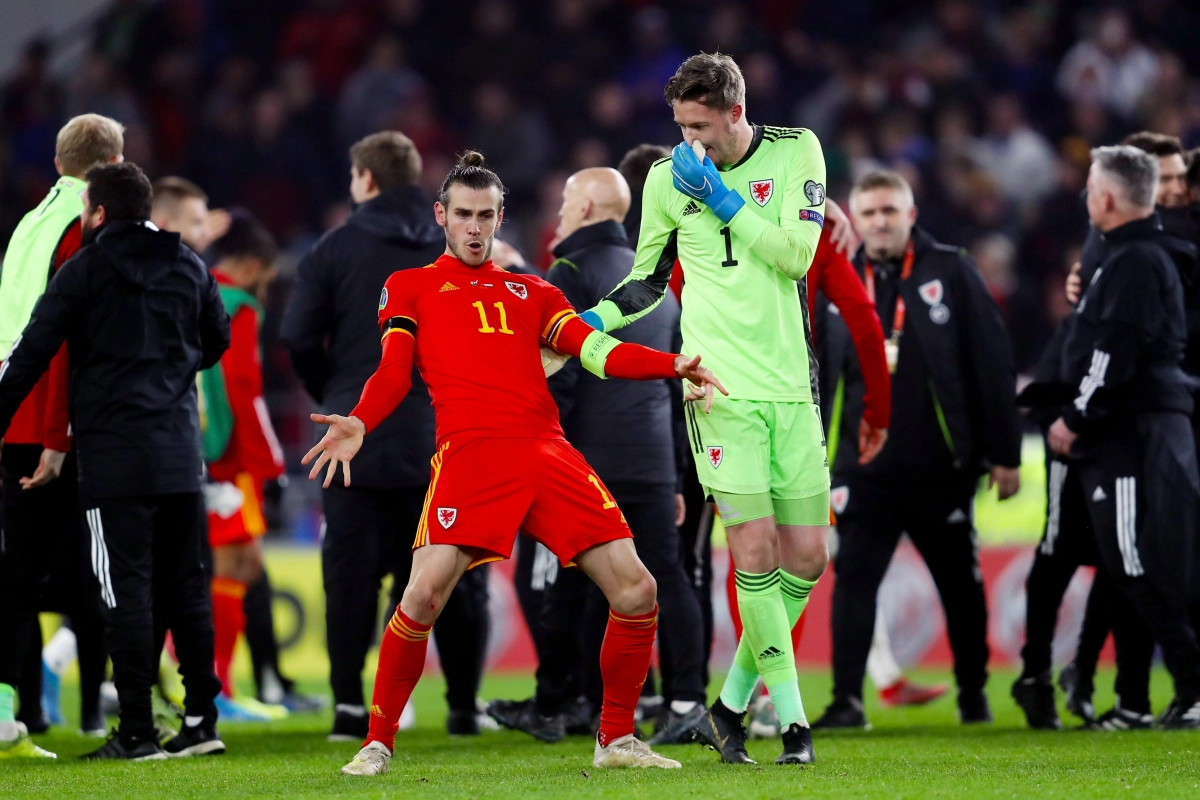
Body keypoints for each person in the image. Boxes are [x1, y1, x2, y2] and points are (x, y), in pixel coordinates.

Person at [306, 151, 726, 776]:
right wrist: (360, 420)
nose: (475, 228)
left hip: (547, 451)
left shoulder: (534, 290)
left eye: (486, 216)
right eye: (463, 216)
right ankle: (377, 742)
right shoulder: (410, 286)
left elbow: (597, 351)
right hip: (471, 454)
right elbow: (395, 371)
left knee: (639, 590)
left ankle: (615, 740)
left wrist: (672, 365)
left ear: (501, 219)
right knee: (421, 597)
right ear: (441, 217)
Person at [584, 53, 829, 766]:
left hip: (791, 385)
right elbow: (646, 281)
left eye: (700, 127)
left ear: (734, 110)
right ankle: (791, 726)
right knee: (753, 554)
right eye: (680, 128)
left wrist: (723, 199)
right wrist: (585, 325)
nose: (690, 144)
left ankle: (725, 707)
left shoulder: (796, 151)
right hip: (717, 389)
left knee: (808, 561)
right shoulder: (666, 178)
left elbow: (796, 256)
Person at [0, 161, 231, 759]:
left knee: (122, 588)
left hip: (115, 457)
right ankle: (202, 722)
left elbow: (31, 353)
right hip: (179, 454)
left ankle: (135, 730)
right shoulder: (189, 264)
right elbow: (217, 341)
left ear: (97, 213)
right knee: (188, 587)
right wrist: (172, 372)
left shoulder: (85, 269)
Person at [280, 131, 492, 739]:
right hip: (443, 437)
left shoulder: (333, 249)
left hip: (355, 438)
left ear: (365, 180)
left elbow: (296, 336)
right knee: (451, 572)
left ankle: (351, 707)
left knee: (350, 575)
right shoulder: (454, 246)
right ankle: (462, 705)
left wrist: (337, 394)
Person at [489, 166, 709, 745]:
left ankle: (557, 703)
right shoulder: (652, 278)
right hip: (654, 458)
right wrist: (682, 476)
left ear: (587, 206)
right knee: (669, 576)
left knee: (568, 586)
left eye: (566, 200)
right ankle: (686, 700)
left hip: (587, 459)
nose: (559, 212)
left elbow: (558, 377)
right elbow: (674, 378)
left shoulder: (569, 273)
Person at [814, 169, 1023, 730]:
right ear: (854, 222)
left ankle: (973, 692)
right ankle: (846, 701)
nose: (880, 221)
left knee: (962, 586)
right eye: (870, 213)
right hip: (863, 471)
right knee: (854, 584)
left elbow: (992, 363)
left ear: (911, 215)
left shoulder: (950, 269)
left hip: (942, 467)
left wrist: (1004, 452)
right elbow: (817, 374)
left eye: (890, 210)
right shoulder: (833, 276)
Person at [1042, 131, 1200, 729]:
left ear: (1105, 199)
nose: (1086, 199)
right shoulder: (1131, 255)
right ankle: (1139, 700)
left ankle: (1191, 684)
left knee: (1136, 565)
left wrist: (1074, 417)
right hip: (1141, 429)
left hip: (1131, 434)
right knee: (1132, 565)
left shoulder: (1133, 261)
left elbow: (1114, 353)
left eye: (1090, 190)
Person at [0, 114, 124, 758]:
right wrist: (59, 433)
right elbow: (62, 336)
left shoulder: (27, 225)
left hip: (11, 412)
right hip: (56, 421)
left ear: (57, 163)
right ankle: (94, 718)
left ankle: (13, 715)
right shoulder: (83, 225)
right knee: (90, 575)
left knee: (17, 573)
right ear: (112, 164)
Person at [198, 214, 287, 719]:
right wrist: (268, 461)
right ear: (252, 266)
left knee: (241, 564)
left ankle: (219, 686)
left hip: (194, 448)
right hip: (227, 458)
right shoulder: (239, 307)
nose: (265, 292)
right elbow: (245, 390)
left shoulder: (197, 290)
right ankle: (214, 688)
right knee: (234, 564)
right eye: (266, 281)